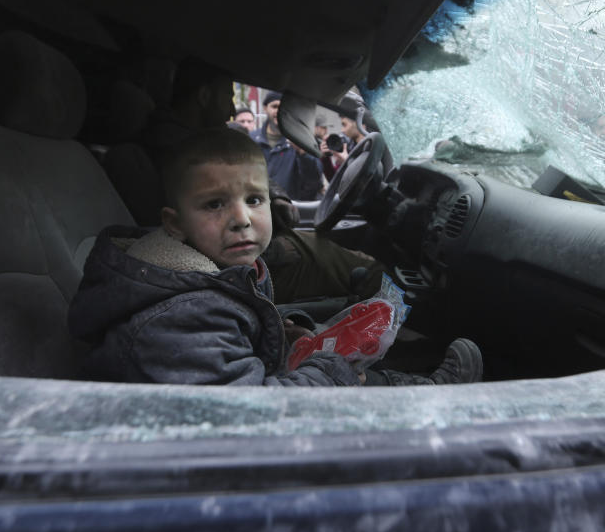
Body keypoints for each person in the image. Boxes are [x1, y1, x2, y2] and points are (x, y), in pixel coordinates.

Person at [68, 128, 483, 386]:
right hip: (234, 433)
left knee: (333, 366)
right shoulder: (179, 317)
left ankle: (410, 388)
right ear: (173, 224)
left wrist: (284, 335)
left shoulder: (221, 273)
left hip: (243, 383)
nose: (241, 220)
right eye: (214, 205)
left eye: (254, 199)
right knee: (337, 375)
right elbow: (251, 418)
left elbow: (237, 335)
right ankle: (425, 403)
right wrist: (329, 370)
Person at [251, 90, 323, 201]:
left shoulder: (302, 140)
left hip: (289, 210)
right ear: (265, 108)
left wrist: (303, 153)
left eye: (282, 107)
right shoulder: (251, 140)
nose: (278, 111)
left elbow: (313, 181)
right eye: (274, 106)